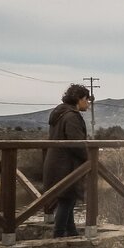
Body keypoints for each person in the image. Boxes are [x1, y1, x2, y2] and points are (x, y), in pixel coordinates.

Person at [43, 84, 92, 238]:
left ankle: (72, 233)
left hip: (56, 163)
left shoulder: (59, 114)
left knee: (67, 199)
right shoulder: (72, 117)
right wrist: (90, 158)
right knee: (67, 200)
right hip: (66, 165)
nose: (88, 103)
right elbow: (76, 143)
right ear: (79, 99)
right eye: (86, 99)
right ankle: (58, 235)